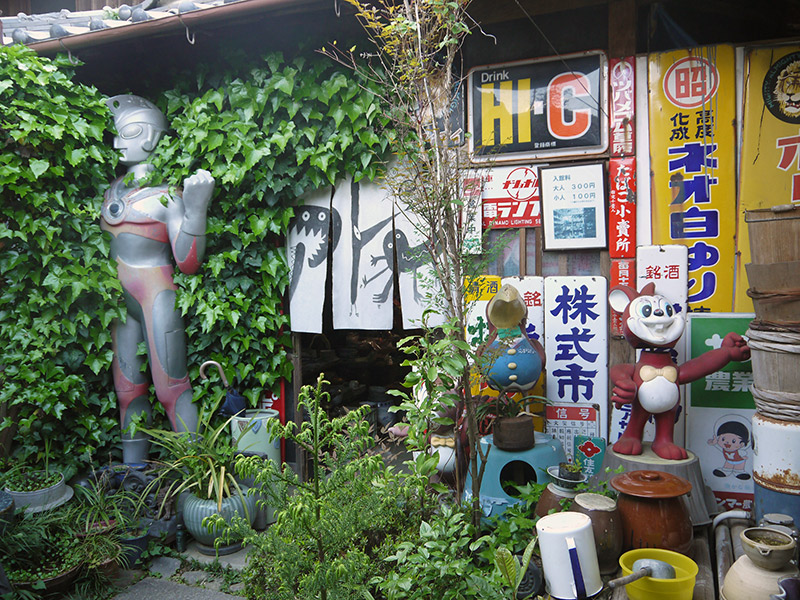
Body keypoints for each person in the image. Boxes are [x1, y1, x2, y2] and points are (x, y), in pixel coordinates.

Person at [101, 95, 214, 463]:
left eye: (129, 132)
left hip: (156, 294)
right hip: (120, 301)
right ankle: (134, 470)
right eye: (115, 133)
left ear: (151, 137)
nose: (119, 141)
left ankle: (198, 471)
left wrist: (196, 209)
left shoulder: (167, 196)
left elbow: (187, 261)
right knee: (127, 390)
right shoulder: (110, 192)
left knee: (171, 385)